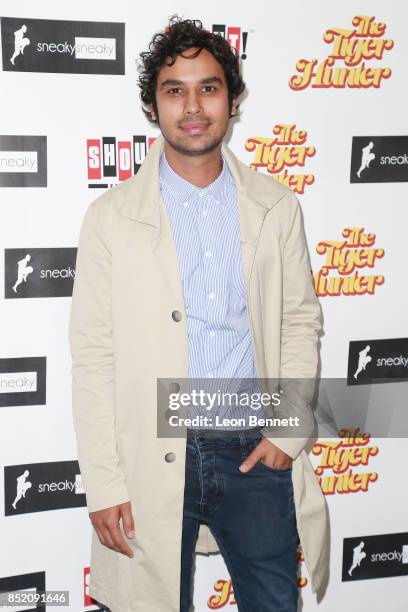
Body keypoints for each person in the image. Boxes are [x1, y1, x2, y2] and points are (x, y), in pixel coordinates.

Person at [69, 16, 329, 612]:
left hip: (255, 451)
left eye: (208, 88)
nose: (192, 106)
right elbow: (93, 357)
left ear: (231, 102)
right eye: (174, 89)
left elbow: (298, 321)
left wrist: (287, 433)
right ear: (153, 105)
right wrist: (105, 483)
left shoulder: (275, 206)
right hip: (151, 455)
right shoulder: (111, 218)